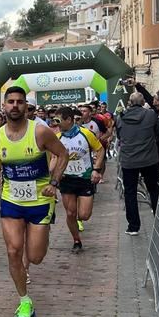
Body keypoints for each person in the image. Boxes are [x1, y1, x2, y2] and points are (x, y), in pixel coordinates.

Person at [0, 86, 68, 317]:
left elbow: (63, 154)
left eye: (20, 102)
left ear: (26, 106)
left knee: (36, 256)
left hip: (40, 200)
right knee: (13, 251)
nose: (15, 106)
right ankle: (24, 301)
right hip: (12, 200)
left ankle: (38, 242)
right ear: (4, 105)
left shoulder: (41, 132)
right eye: (10, 101)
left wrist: (54, 182)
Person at [54, 107, 105, 252]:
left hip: (85, 178)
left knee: (84, 215)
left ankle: (81, 214)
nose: (56, 123)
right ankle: (76, 240)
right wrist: (54, 176)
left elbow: (100, 150)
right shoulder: (57, 138)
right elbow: (53, 158)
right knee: (70, 213)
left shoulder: (86, 134)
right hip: (66, 179)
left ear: (69, 120)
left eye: (59, 120)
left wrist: (96, 169)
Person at [115, 91, 159, 235]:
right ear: (143, 103)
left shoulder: (120, 118)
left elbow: (119, 135)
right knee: (153, 189)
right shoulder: (151, 115)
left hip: (129, 160)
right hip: (149, 159)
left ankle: (133, 227)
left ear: (129, 102)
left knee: (130, 192)